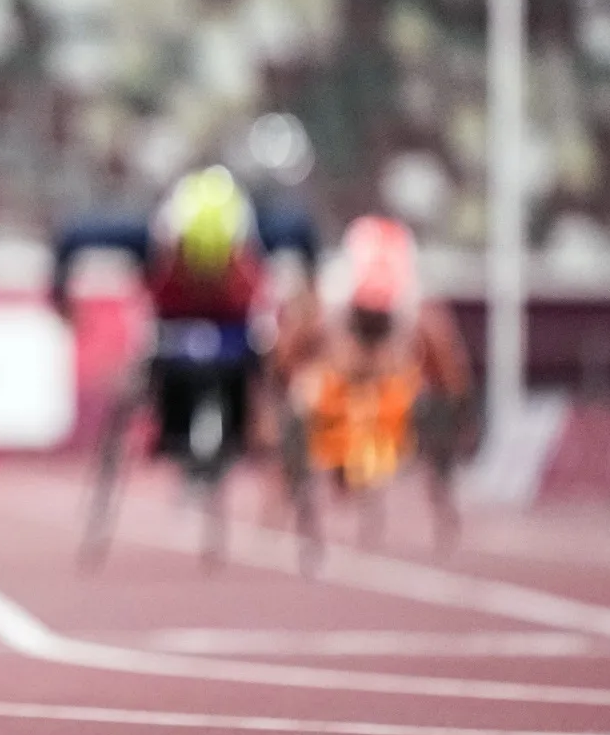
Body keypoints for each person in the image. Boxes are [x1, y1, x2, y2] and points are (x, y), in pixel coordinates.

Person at [53, 166, 318, 475]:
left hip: (237, 338)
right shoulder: (150, 240)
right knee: (145, 370)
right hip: (170, 339)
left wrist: (310, 295)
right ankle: (168, 430)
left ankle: (255, 434)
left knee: (281, 370)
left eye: (218, 262)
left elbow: (304, 235)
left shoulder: (265, 233)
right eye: (192, 260)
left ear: (239, 246)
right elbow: (71, 236)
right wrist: (61, 296)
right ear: (173, 242)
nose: (205, 278)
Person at [279, 215, 471, 547]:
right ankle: (298, 492)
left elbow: (448, 363)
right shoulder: (330, 296)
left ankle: (442, 490)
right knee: (300, 402)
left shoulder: (414, 304)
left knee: (433, 411)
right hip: (339, 377)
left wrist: (454, 405)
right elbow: (291, 351)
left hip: (391, 382)